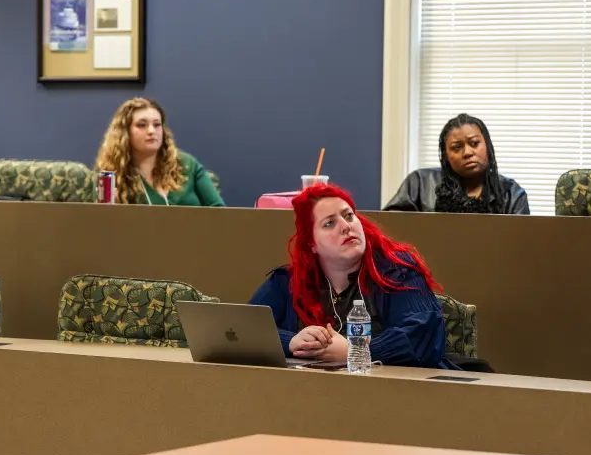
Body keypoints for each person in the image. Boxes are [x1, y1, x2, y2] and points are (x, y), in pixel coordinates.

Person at [249, 183, 454, 369]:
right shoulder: (288, 281)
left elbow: (425, 338)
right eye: (329, 223)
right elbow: (243, 330)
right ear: (312, 244)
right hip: (309, 394)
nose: (346, 226)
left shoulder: (397, 270)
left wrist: (356, 350)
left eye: (348, 216)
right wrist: (291, 341)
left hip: (400, 393)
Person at [384, 113, 529, 214]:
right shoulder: (420, 184)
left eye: (474, 143)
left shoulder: (513, 194)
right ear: (446, 155)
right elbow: (391, 229)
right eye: (457, 147)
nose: (467, 152)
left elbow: (519, 246)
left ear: (488, 146)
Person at [95, 97, 225, 206]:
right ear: (125, 133)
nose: (151, 131)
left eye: (157, 125)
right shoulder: (112, 176)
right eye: (142, 125)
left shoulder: (187, 165)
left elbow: (220, 213)